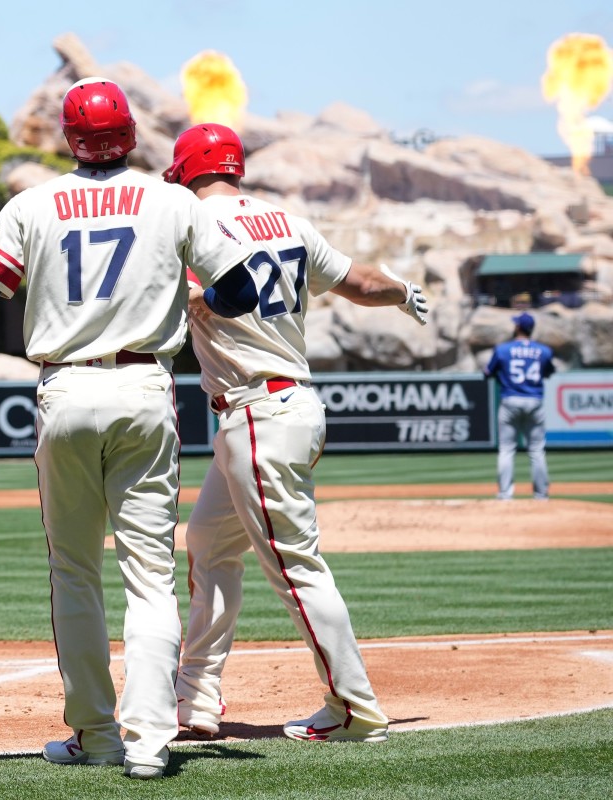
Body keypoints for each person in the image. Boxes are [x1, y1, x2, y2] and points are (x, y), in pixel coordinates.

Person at [0, 79, 257, 780]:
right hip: (145, 385)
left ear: (69, 139)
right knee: (151, 577)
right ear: (131, 137)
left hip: (66, 387)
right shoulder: (172, 200)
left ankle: (96, 736)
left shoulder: (32, 203)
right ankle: (148, 742)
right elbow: (242, 291)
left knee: (74, 571)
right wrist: (186, 292)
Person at [162, 123, 429, 744]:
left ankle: (354, 708)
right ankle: (196, 697)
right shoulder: (286, 220)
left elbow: (183, 293)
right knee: (207, 541)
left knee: (296, 566)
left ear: (186, 170)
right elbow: (360, 282)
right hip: (286, 407)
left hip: (258, 409)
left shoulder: (189, 222)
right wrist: (401, 291)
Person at [484, 312, 554, 500]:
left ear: (517, 327)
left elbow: (487, 372)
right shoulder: (544, 350)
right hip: (534, 401)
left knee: (507, 450)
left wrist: (498, 375)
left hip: (510, 400)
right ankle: (541, 496)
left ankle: (505, 495)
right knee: (537, 450)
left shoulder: (502, 349)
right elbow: (548, 372)